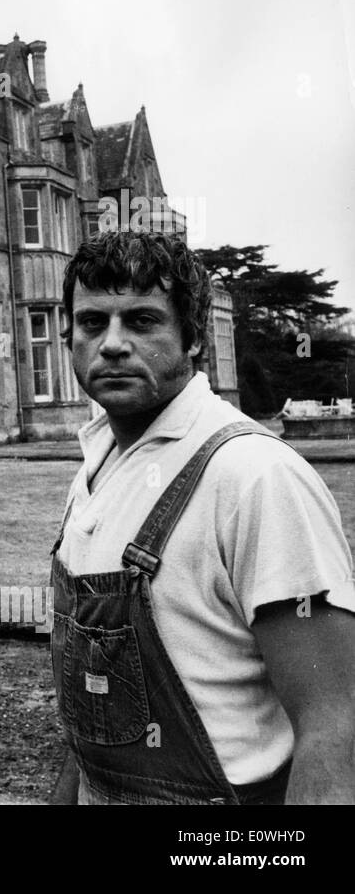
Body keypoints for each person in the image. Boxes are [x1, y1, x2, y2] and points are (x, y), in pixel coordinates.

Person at [48, 231, 355, 804]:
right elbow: (98, 708)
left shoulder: (255, 475)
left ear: (192, 339)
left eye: (141, 321)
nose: (112, 344)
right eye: (92, 323)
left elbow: (336, 723)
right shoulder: (98, 463)